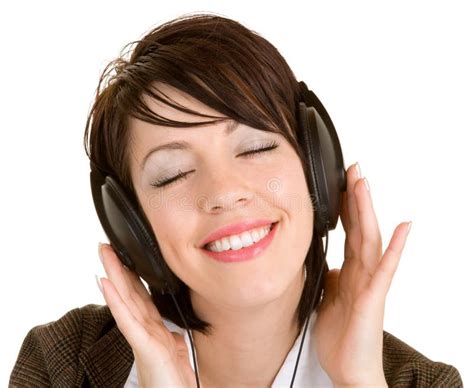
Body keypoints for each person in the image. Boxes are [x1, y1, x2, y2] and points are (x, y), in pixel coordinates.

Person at [10, 13, 463, 387]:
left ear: (317, 169)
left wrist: (359, 380)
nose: (225, 191)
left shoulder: (421, 382)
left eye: (256, 148)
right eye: (173, 175)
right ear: (132, 227)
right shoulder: (62, 362)